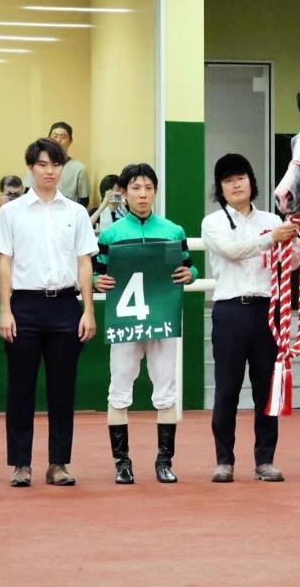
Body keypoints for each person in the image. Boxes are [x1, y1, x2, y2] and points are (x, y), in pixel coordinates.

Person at [0, 137, 98, 487]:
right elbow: (4, 262)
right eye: (42, 164)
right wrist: (5, 310)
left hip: (66, 305)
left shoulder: (76, 212)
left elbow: (85, 262)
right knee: (20, 388)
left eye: (55, 164)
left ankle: (58, 463)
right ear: (30, 168)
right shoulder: (11, 212)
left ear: (62, 168)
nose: (49, 170)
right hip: (24, 305)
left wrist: (88, 310)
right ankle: (21, 464)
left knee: (62, 388)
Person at [94, 163, 197, 484]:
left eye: (148, 188)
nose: (142, 194)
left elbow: (189, 267)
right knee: (119, 388)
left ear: (155, 191)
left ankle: (164, 461)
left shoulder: (172, 230)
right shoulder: (110, 234)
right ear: (123, 193)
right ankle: (121, 463)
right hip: (125, 322)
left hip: (162, 319)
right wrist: (98, 280)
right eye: (136, 188)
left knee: (165, 388)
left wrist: (189, 275)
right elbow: (98, 270)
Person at [201, 153, 297, 483]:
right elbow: (232, 250)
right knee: (227, 389)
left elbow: (293, 263)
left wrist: (298, 235)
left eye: (240, 177)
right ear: (220, 189)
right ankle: (224, 460)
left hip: (266, 311)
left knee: (266, 390)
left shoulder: (272, 218)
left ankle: (265, 461)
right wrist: (273, 238)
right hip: (229, 311)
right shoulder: (212, 222)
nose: (236, 184)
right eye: (228, 181)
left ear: (251, 182)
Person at [24, 122, 90, 207]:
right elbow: (27, 193)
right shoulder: (36, 165)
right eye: (55, 136)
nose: (58, 140)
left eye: (63, 137)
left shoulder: (79, 168)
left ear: (70, 141)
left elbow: (84, 200)